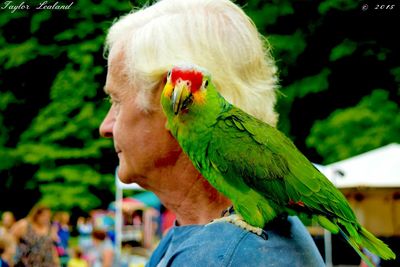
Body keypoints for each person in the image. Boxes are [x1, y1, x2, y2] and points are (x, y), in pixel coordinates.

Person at [99, 0, 325, 266]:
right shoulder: (244, 235)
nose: (105, 126)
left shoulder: (221, 257)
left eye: (116, 101)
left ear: (173, 102)